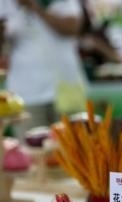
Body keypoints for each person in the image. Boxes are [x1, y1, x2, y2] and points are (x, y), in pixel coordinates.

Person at [0, 0, 86, 141]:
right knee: (31, 150)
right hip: (26, 95)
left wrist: (34, 7)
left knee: (74, 147)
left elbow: (72, 28)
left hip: (65, 90)